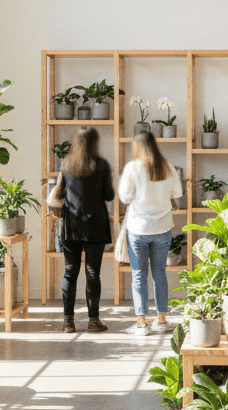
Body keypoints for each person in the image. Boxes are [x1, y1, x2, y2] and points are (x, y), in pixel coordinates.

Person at [117, 131, 183, 335]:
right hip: (162, 228)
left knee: (139, 275)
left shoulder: (133, 167)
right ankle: (161, 321)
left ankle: (141, 324)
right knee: (159, 273)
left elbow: (124, 197)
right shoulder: (167, 166)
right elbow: (178, 193)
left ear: (137, 147)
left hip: (138, 229)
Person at [54, 127, 114, 333]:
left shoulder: (67, 164)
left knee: (70, 272)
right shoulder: (102, 164)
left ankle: (68, 322)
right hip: (95, 224)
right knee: (92, 273)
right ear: (95, 142)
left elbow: (59, 192)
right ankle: (93, 321)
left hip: (72, 224)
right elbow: (109, 195)